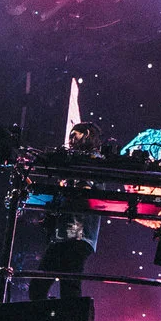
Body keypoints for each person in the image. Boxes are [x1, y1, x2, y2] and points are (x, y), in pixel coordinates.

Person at [27, 122, 108, 300]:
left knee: (68, 287)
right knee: (40, 287)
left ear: (87, 134)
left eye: (75, 134)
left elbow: (84, 191)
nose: (71, 139)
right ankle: (51, 319)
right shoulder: (74, 162)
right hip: (63, 234)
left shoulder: (93, 160)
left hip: (78, 234)